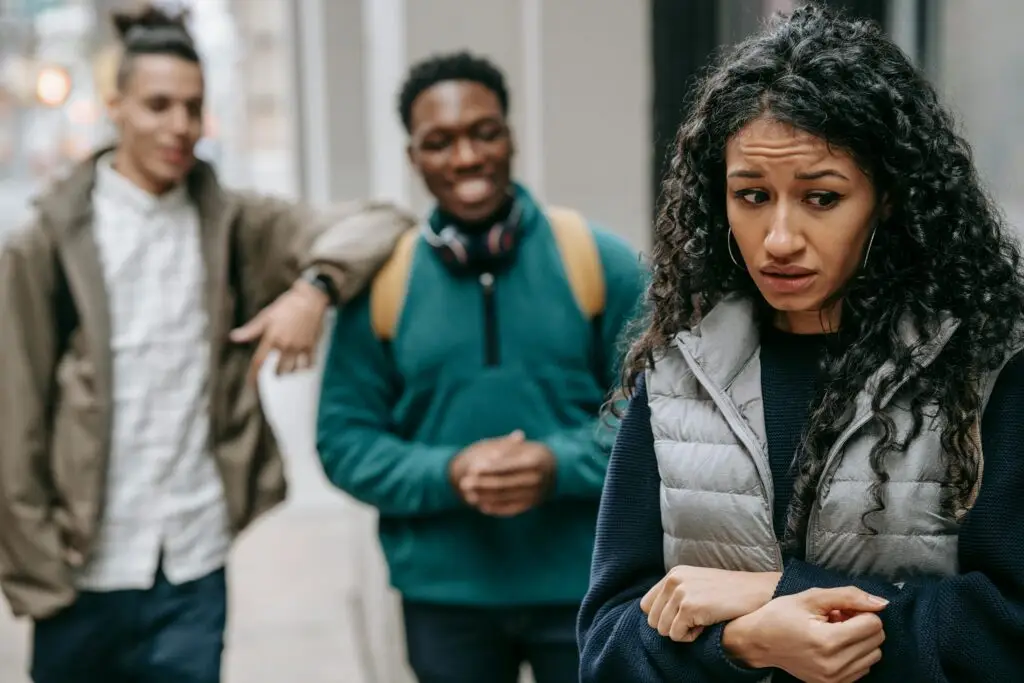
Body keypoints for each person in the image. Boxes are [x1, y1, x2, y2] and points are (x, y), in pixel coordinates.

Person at [577, 5, 1024, 683]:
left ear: (889, 199)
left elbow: (1006, 628)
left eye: (822, 198)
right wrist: (741, 643)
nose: (779, 238)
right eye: (752, 195)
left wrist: (777, 588)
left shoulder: (983, 368)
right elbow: (605, 647)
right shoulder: (679, 372)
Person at [0, 6, 413, 683]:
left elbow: (382, 221)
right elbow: (13, 416)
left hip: (192, 566)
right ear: (116, 108)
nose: (180, 126)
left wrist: (313, 290)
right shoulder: (46, 240)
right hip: (83, 572)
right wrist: (40, 570)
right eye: (158, 105)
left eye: (193, 107)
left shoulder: (233, 221)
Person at [316, 51, 645, 683]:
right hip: (444, 601)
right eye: (439, 142)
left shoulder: (599, 261)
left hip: (585, 586)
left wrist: (557, 465)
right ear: (414, 157)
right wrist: (450, 472)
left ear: (511, 135)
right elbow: (343, 439)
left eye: (483, 132)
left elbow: (659, 416)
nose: (466, 158)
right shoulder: (382, 285)